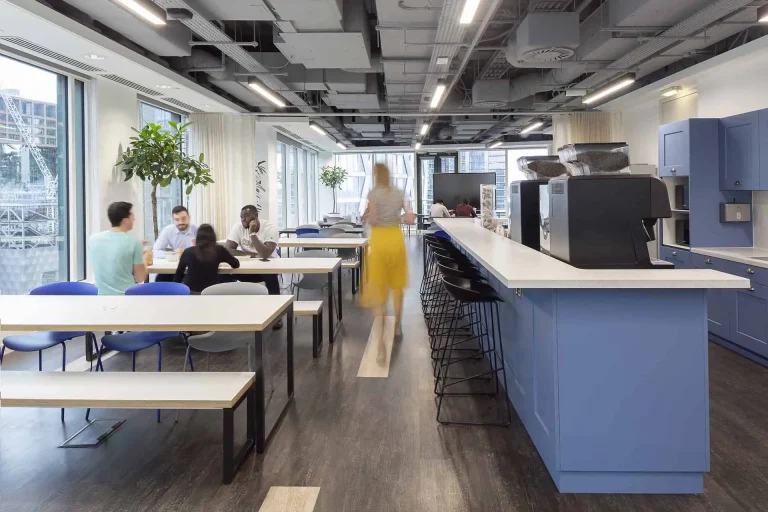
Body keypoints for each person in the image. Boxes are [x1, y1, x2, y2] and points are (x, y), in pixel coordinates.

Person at [362, 163, 412, 362]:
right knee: (397, 287)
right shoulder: (399, 193)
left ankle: (381, 335)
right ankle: (397, 326)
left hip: (379, 241)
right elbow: (410, 218)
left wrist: (368, 218)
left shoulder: (373, 193)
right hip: (395, 240)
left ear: (376, 175)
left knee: (379, 286)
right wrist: (397, 218)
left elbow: (373, 218)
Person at [225, 205, 283, 329]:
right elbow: (228, 250)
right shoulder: (238, 227)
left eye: (246, 216)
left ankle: (277, 315)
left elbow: (265, 254)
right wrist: (252, 255)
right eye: (241, 217)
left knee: (270, 275)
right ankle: (225, 311)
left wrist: (252, 233)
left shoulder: (269, 228)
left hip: (267, 267)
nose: (243, 219)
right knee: (224, 274)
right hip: (247, 267)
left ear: (256, 216)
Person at [88, 201, 150, 295]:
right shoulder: (134, 242)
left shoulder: (93, 240)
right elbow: (140, 278)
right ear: (125, 220)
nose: (134, 218)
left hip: (100, 297)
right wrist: (145, 258)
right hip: (127, 296)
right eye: (132, 216)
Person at [174, 224, 240, 294]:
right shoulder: (219, 250)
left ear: (197, 237)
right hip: (210, 292)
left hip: (190, 292)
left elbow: (178, 275)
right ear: (213, 237)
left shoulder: (188, 251)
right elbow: (236, 264)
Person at [153, 205, 198, 282]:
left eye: (183, 219)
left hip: (192, 268)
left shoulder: (197, 230)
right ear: (173, 220)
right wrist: (173, 254)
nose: (180, 222)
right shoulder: (168, 230)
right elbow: (155, 250)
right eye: (177, 220)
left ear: (189, 217)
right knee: (160, 279)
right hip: (174, 268)